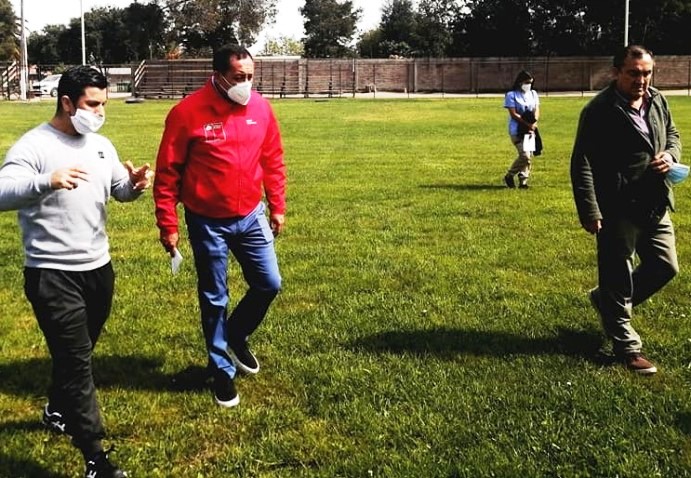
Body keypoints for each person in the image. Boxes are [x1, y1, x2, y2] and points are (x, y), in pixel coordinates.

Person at [0, 66, 153, 477]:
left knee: (77, 354)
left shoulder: (99, 144)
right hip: (52, 274)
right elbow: (1, 191)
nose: (100, 112)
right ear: (66, 102)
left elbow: (117, 189)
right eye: (92, 104)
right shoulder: (35, 145)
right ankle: (95, 458)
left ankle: (55, 409)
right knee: (77, 363)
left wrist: (134, 186)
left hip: (98, 269)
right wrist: (46, 181)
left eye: (104, 104)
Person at [154, 44, 286, 408]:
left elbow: (273, 159)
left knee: (268, 283)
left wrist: (277, 206)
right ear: (217, 75)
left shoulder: (260, 107)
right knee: (214, 297)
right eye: (238, 78)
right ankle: (221, 371)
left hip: (251, 215)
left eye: (250, 77)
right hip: (207, 221)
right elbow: (167, 174)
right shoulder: (187, 113)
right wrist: (168, 224)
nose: (246, 84)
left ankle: (236, 333)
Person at [570, 45, 682, 375]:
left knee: (665, 266)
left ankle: (605, 302)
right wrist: (590, 209)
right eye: (634, 73)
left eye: (647, 73)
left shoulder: (658, 100)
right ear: (617, 72)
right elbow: (582, 162)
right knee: (617, 275)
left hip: (656, 201)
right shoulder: (599, 110)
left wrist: (671, 155)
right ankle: (627, 347)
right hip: (618, 205)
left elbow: (672, 134)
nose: (641, 80)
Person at [503, 70, 541, 189]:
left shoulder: (533, 94)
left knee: (529, 156)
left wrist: (533, 123)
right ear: (520, 82)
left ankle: (523, 181)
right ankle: (509, 175)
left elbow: (536, 109)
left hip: (530, 129)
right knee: (525, 156)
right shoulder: (511, 95)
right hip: (517, 129)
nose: (528, 85)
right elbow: (514, 114)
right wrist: (527, 124)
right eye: (526, 82)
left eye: (530, 83)